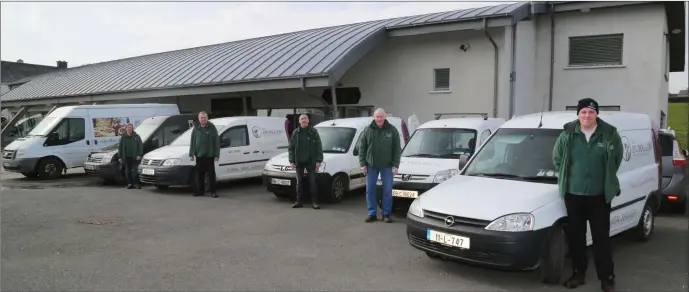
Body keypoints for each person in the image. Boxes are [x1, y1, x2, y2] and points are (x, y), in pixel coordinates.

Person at [552, 98, 623, 292]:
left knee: (601, 238)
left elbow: (616, 159)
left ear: (596, 114)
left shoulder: (609, 134)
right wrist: (572, 179)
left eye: (591, 112)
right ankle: (578, 273)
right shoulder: (568, 134)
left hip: (599, 195)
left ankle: (607, 278)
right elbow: (557, 158)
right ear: (578, 114)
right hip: (573, 195)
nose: (587, 116)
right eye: (583, 112)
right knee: (576, 237)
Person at [358, 108, 402, 223]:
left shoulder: (392, 130)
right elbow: (362, 148)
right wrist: (363, 164)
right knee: (370, 190)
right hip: (371, 165)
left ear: (384, 117)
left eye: (381, 117)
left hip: (387, 165)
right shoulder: (367, 130)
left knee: (387, 190)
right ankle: (372, 213)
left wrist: (396, 164)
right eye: (377, 117)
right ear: (374, 117)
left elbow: (397, 149)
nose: (379, 119)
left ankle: (386, 214)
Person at [288, 114, 324, 209]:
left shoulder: (313, 132)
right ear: (299, 121)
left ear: (308, 121)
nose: (303, 120)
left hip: (310, 161)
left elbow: (319, 147)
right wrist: (291, 160)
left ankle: (314, 202)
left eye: (305, 118)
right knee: (299, 182)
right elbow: (291, 148)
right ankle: (299, 201)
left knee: (312, 182)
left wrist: (319, 160)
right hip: (299, 161)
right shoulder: (296, 133)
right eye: (302, 119)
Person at [189, 111, 220, 198]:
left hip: (209, 155)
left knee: (211, 175)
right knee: (199, 175)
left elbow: (216, 141)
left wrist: (217, 154)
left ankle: (213, 191)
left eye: (204, 117)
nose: (203, 119)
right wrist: (191, 153)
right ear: (199, 119)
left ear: (207, 118)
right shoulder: (196, 128)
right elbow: (193, 141)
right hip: (199, 155)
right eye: (201, 118)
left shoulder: (212, 128)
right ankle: (200, 191)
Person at [118, 123, 143, 189]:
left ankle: (136, 184)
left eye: (130, 127)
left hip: (135, 157)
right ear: (126, 129)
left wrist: (139, 155)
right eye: (128, 127)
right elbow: (120, 147)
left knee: (134, 170)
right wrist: (120, 157)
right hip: (126, 156)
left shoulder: (136, 136)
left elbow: (140, 146)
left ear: (132, 128)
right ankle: (130, 183)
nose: (129, 129)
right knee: (127, 171)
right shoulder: (123, 137)